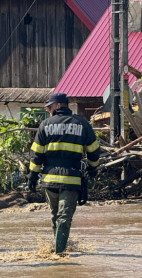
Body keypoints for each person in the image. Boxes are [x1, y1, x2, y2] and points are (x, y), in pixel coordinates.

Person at [27, 92, 100, 254]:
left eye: (49, 107)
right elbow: (94, 152)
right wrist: (92, 168)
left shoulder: (45, 125)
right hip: (71, 180)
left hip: (49, 180)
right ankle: (59, 254)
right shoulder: (82, 124)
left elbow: (36, 154)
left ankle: (57, 253)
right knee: (64, 218)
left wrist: (32, 176)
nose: (48, 110)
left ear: (58, 105)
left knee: (55, 217)